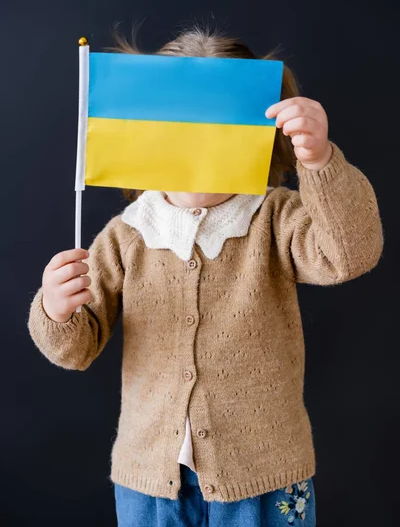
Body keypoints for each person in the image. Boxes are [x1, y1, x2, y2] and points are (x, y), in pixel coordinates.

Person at [27, 26, 384, 527]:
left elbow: (350, 254)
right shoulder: (126, 235)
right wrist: (55, 309)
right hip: (149, 482)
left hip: (264, 477)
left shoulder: (274, 218)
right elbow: (76, 350)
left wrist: (320, 160)